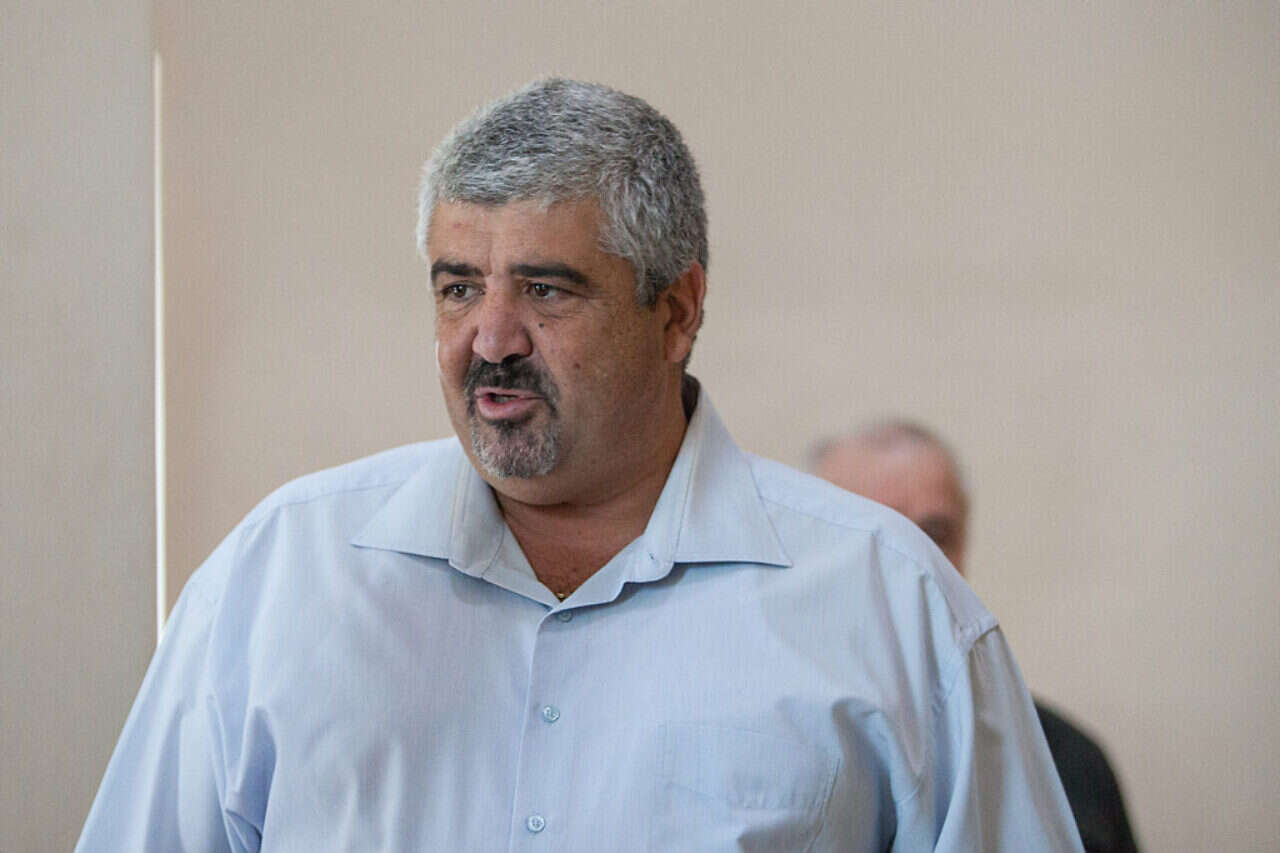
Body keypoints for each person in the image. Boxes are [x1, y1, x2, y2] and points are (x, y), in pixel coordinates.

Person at [78, 79, 1081, 851]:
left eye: (546, 290)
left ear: (676, 312)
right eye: (457, 287)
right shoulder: (276, 580)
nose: (490, 338)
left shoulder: (891, 606)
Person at [812, 420, 1141, 853]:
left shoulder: (1064, 762)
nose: (917, 564)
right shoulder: (773, 749)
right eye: (878, 536)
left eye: (936, 535)